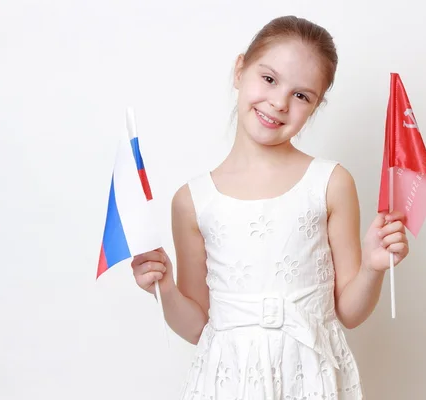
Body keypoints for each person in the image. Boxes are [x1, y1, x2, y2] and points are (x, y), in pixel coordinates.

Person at [131, 15, 409, 400]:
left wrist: (372, 267)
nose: (279, 102)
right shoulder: (192, 201)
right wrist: (163, 286)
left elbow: (349, 311)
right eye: (269, 79)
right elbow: (198, 326)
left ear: (316, 106)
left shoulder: (330, 183)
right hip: (229, 382)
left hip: (311, 377)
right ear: (240, 69)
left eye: (301, 95)